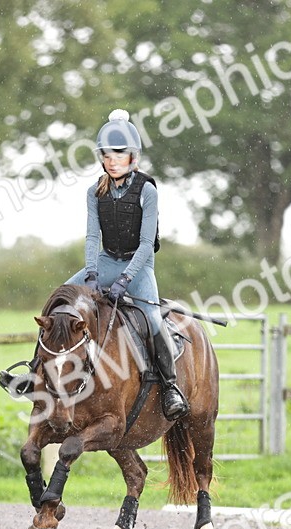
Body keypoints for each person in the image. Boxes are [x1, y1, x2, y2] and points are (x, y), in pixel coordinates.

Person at [64, 109, 189, 421]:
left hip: (139, 266)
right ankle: (40, 374)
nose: (112, 160)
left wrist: (126, 279)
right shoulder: (94, 191)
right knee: (62, 300)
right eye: (107, 155)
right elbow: (93, 236)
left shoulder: (147, 190)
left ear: (133, 157)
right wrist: (92, 271)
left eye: (119, 155)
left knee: (152, 317)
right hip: (106, 262)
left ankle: (171, 387)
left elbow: (147, 245)